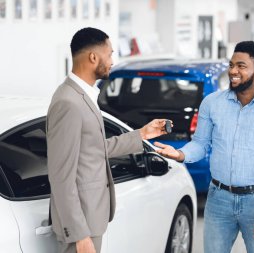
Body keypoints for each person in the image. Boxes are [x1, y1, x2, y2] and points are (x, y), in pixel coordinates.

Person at [154, 41, 254, 253]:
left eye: (241, 66)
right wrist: (180, 153)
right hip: (218, 199)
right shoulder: (211, 103)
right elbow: (200, 144)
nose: (233, 71)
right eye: (231, 65)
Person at [47, 27, 169, 253]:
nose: (114, 60)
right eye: (110, 54)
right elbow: (61, 176)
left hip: (91, 219)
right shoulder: (68, 102)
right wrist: (80, 234)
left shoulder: (82, 96)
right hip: (81, 226)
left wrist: (142, 134)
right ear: (93, 57)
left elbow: (93, 149)